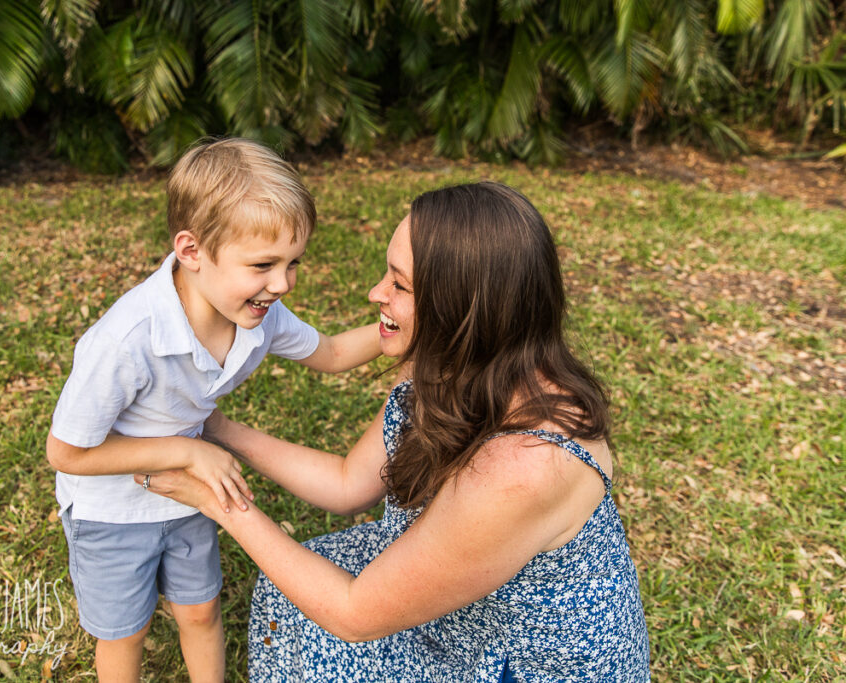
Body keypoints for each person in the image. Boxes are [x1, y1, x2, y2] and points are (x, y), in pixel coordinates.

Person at [140, 181, 651, 681]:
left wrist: (216, 499)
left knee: (328, 625)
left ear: (463, 308)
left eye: (400, 285)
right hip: (465, 620)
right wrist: (217, 427)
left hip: (516, 664)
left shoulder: (528, 464)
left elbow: (353, 613)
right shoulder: (451, 368)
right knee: (298, 581)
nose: (375, 293)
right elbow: (346, 484)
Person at [45, 138, 381, 683]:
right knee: (125, 633)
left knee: (200, 609)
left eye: (293, 263)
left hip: (191, 495)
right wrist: (189, 449)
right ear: (193, 251)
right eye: (263, 264)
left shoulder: (259, 312)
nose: (282, 284)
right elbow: (66, 452)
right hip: (112, 510)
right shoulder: (130, 339)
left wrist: (407, 330)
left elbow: (334, 352)